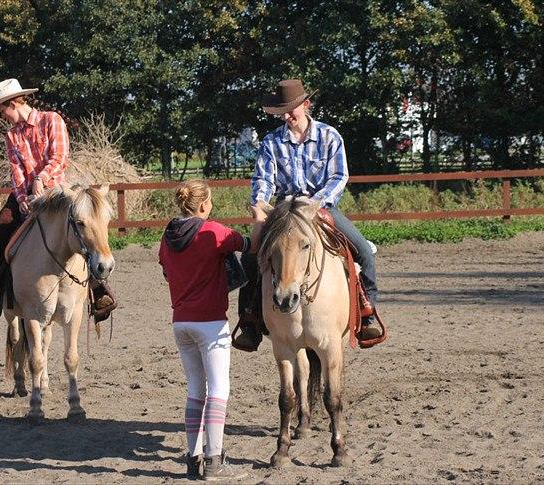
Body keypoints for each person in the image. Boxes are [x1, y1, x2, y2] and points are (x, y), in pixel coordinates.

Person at [232, 78, 382, 352]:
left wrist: (316, 203)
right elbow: (263, 178)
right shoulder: (271, 142)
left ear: (306, 104)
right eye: (283, 112)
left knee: (363, 251)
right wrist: (260, 203)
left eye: (292, 110)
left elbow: (338, 176)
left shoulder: (329, 136)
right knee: (251, 258)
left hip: (321, 208)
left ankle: (366, 312)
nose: (287, 116)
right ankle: (249, 320)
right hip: (284, 210)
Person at [0, 78, 115, 328]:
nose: (1, 114)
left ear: (12, 103)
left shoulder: (51, 120)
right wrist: (21, 200)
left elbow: (60, 157)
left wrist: (42, 178)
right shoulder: (11, 135)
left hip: (58, 191)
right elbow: (16, 171)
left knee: (83, 227)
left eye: (1, 109)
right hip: (26, 194)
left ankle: (98, 289)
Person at [159, 180, 263, 481]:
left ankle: (193, 461)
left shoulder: (168, 238)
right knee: (218, 390)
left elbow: (167, 270)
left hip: (181, 321)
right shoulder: (214, 232)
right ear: (204, 204)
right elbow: (250, 246)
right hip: (210, 322)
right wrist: (258, 219)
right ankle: (215, 461)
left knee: (195, 390)